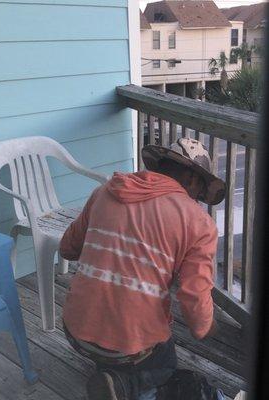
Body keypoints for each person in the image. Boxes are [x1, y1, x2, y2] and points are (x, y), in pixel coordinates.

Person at [60, 138, 226, 400]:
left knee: (117, 336)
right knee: (166, 362)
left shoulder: (105, 191)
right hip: (128, 346)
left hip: (75, 330)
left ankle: (112, 373)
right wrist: (208, 327)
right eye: (200, 190)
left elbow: (67, 249)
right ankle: (128, 387)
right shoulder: (199, 223)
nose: (196, 199)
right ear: (191, 178)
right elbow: (194, 301)